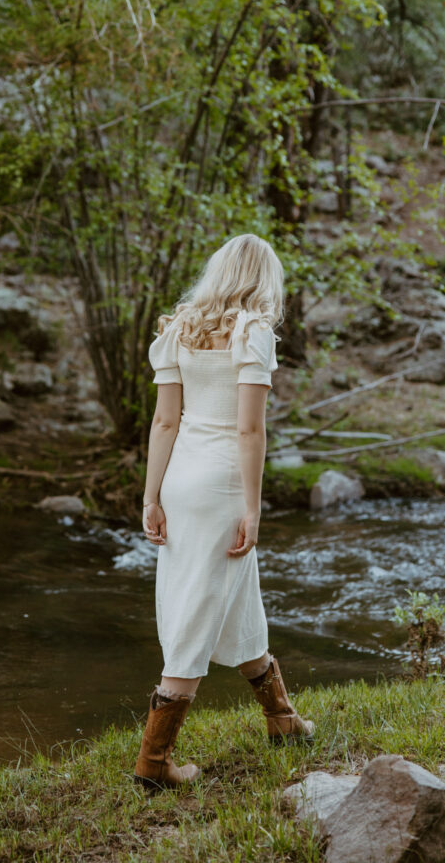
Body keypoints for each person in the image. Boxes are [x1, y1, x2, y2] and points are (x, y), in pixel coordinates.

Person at [133, 233, 314, 790]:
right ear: (264, 280)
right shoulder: (253, 333)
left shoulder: (179, 328)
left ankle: (282, 717)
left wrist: (152, 495)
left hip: (183, 481)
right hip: (222, 485)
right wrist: (254, 509)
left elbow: (164, 422)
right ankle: (154, 761)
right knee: (195, 611)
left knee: (236, 601)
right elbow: (249, 429)